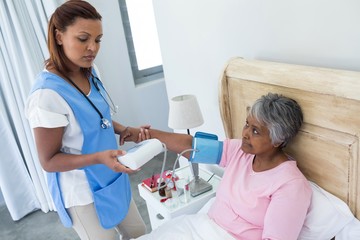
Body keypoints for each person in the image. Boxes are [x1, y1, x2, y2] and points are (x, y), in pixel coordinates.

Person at [25, 1, 148, 239]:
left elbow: (94, 117)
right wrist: (99, 158)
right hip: (82, 190)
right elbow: (49, 161)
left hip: (110, 175)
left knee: (138, 232)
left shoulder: (87, 71)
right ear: (59, 36)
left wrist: (123, 129)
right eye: (83, 39)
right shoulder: (46, 95)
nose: (92, 48)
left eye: (98, 39)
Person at [139, 93, 312, 240]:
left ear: (278, 139)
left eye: (256, 131)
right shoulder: (240, 151)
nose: (245, 133)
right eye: (247, 125)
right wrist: (148, 136)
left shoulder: (290, 185)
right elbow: (193, 147)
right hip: (200, 228)